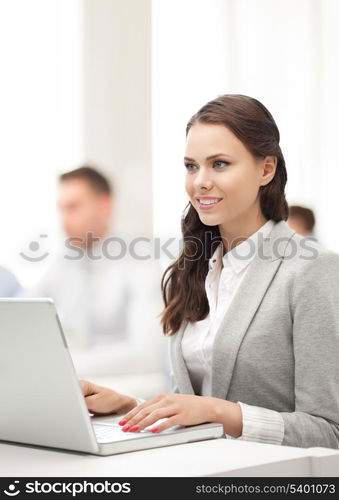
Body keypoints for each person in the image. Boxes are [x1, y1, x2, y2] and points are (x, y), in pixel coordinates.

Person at [80, 95, 339, 449]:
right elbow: (196, 408)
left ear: (266, 169)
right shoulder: (194, 266)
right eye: (191, 166)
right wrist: (130, 407)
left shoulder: (311, 268)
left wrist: (222, 412)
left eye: (219, 164)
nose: (199, 181)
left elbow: (329, 431)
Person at [20, 166, 167, 380]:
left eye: (73, 207)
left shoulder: (140, 262)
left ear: (104, 206)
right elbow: (25, 312)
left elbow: (148, 355)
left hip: (124, 387)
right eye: (61, 208)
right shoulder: (65, 261)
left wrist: (62, 366)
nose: (64, 219)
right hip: (73, 381)